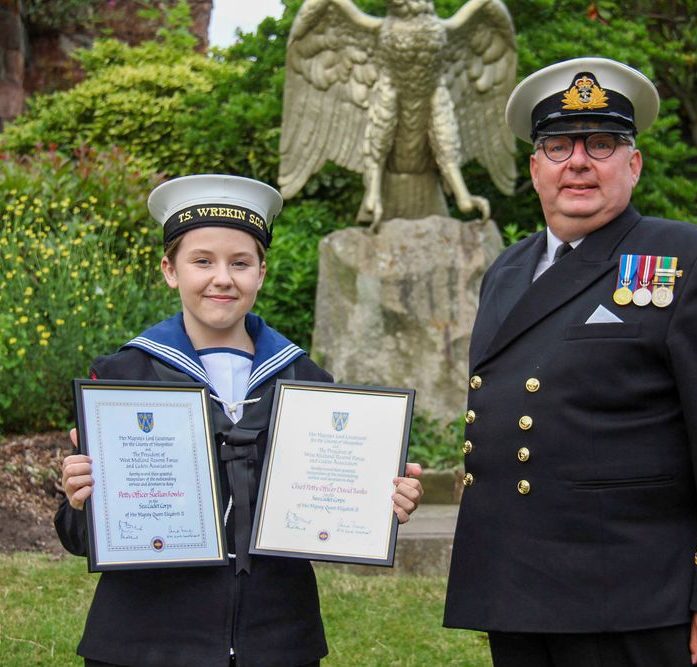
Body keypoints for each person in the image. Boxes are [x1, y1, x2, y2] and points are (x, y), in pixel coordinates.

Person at [442, 58, 697, 667]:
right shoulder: (507, 271)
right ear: (534, 169)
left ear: (633, 165)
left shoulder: (694, 263)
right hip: (518, 593)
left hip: (634, 603)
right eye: (556, 146)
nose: (577, 161)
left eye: (601, 144)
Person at [56, 174, 424, 667]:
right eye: (202, 261)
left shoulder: (306, 381)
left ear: (261, 273)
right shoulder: (122, 378)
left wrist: (383, 500)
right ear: (170, 270)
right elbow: (79, 539)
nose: (222, 277)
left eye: (240, 263)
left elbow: (333, 506)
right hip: (144, 641)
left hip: (277, 639)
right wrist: (79, 498)